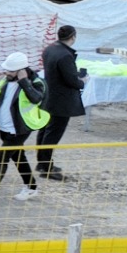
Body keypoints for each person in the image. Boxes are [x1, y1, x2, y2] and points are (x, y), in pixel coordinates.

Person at [0, 52, 50, 205]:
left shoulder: (36, 82)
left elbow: (36, 98)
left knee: (2, 159)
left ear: (21, 70)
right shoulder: (5, 81)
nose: (6, 73)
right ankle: (31, 187)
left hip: (20, 129)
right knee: (18, 157)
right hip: (4, 128)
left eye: (10, 70)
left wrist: (24, 81)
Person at [38, 25, 87, 180]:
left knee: (45, 130)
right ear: (73, 37)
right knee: (53, 134)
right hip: (61, 100)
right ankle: (46, 167)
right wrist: (82, 81)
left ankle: (42, 162)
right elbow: (71, 80)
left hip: (49, 95)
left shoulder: (50, 49)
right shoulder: (65, 55)